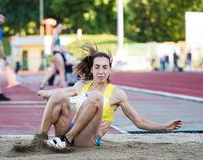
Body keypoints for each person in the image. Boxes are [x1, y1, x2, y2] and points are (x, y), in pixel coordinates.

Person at [35, 43, 182, 150]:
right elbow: (60, 94)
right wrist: (47, 93)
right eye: (97, 67)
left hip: (87, 138)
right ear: (91, 70)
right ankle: (39, 140)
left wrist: (164, 126)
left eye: (105, 67)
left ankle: (66, 139)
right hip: (69, 130)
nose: (101, 71)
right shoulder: (81, 85)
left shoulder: (117, 94)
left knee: (96, 97)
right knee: (59, 94)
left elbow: (139, 121)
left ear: (110, 71)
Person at [39, 23, 67, 89]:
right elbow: (51, 46)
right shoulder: (55, 35)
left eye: (61, 28)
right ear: (56, 27)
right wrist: (52, 56)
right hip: (56, 54)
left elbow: (58, 46)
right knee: (62, 70)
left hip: (56, 53)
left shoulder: (57, 35)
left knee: (53, 71)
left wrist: (65, 51)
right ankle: (64, 87)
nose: (61, 29)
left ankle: (42, 84)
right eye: (59, 27)